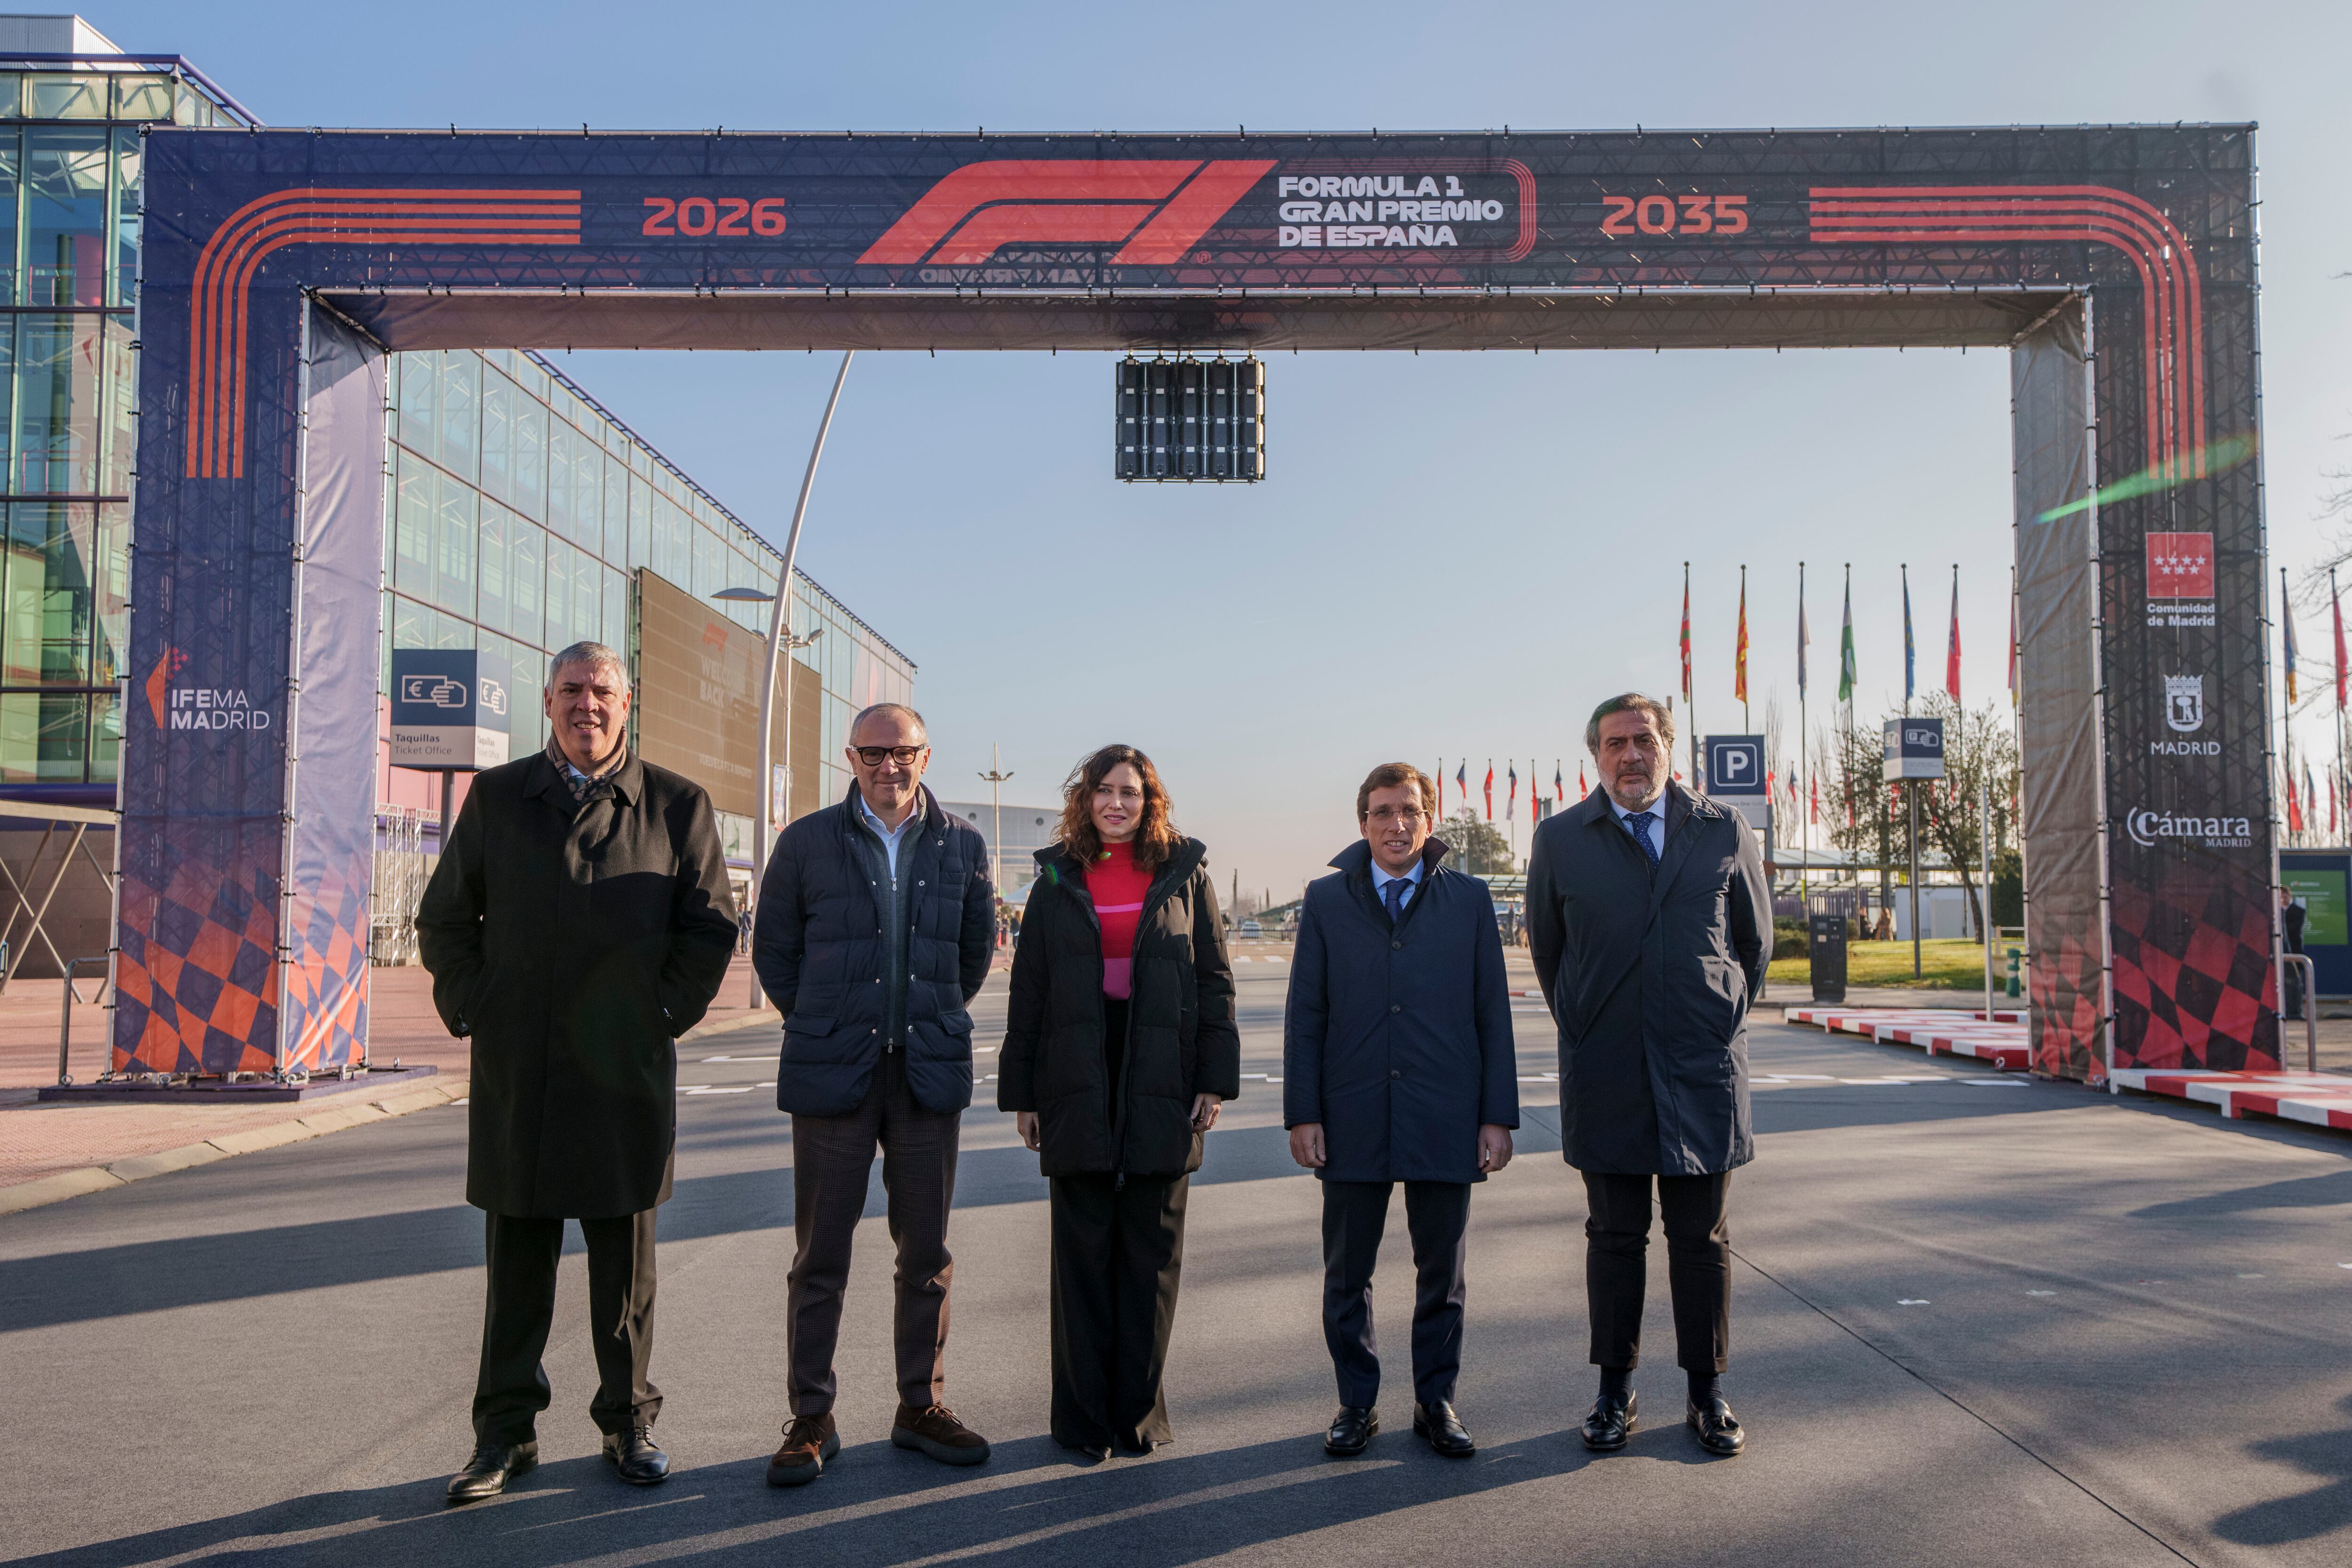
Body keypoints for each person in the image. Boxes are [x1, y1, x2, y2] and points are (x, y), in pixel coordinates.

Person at [417, 641, 739, 1503]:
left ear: (627, 703)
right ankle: (503, 1434)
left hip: (624, 1071)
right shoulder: (497, 796)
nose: (585, 703)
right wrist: (478, 1003)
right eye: (570, 689)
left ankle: (628, 1419)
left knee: (622, 1270)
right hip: (520, 1070)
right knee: (516, 1267)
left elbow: (710, 929)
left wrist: (659, 1014)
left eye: (601, 690)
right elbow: (445, 918)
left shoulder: (676, 804)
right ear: (548, 701)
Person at [755, 703, 996, 1487]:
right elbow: (776, 952)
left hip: (926, 1072)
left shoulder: (962, 842)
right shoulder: (806, 843)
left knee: (925, 1251)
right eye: (873, 751)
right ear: (849, 757)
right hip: (835, 1072)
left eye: (904, 751)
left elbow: (971, 956)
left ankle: (919, 1404)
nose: (889, 764)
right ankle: (811, 1415)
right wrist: (829, 1020)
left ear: (926, 754)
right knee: (821, 1253)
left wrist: (923, 1017)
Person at [1525, 693, 1770, 1459]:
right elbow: (1548, 949)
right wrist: (1590, 1019)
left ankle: (1707, 1392)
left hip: (1700, 1069)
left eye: (1643, 739)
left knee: (1701, 1236)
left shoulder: (1721, 828)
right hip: (1608, 1069)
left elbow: (1753, 944)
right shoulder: (1562, 836)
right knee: (1614, 1235)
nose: (1630, 754)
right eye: (1614, 743)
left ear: (1669, 744)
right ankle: (1613, 1391)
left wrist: (1713, 1013)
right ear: (1595, 756)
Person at [998, 744, 1239, 1460]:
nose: (1116, 803)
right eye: (1104, 791)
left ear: (1150, 800)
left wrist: (1213, 1080)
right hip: (1076, 1067)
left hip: (1163, 1067)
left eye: (1130, 792)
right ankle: (1081, 1419)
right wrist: (1025, 1093)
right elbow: (1030, 992)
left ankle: (1137, 1413)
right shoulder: (1056, 877)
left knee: (1152, 1252)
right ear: (1085, 799)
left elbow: (1215, 982)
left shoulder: (1186, 874)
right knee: (1082, 1253)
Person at [1284, 762, 1518, 1460]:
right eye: (1383, 812)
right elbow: (1307, 1015)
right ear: (1362, 823)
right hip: (1350, 1111)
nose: (1397, 824)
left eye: (1410, 810)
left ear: (1430, 817)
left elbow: (1491, 1014)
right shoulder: (1327, 900)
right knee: (1347, 1272)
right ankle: (1356, 1403)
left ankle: (1435, 1400)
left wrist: (1496, 1115)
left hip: (1445, 1109)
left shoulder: (1471, 900)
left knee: (1442, 1272)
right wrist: (1304, 1112)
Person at [2282, 885, 2307, 1022]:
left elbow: (2293, 930)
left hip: (2294, 952)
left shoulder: (2299, 911)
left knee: (2295, 982)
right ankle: (2284, 1009)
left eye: (2284, 896)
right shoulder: (2275, 911)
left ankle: (2295, 1011)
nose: (2282, 899)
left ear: (2289, 896)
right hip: (2280, 952)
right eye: (2280, 897)